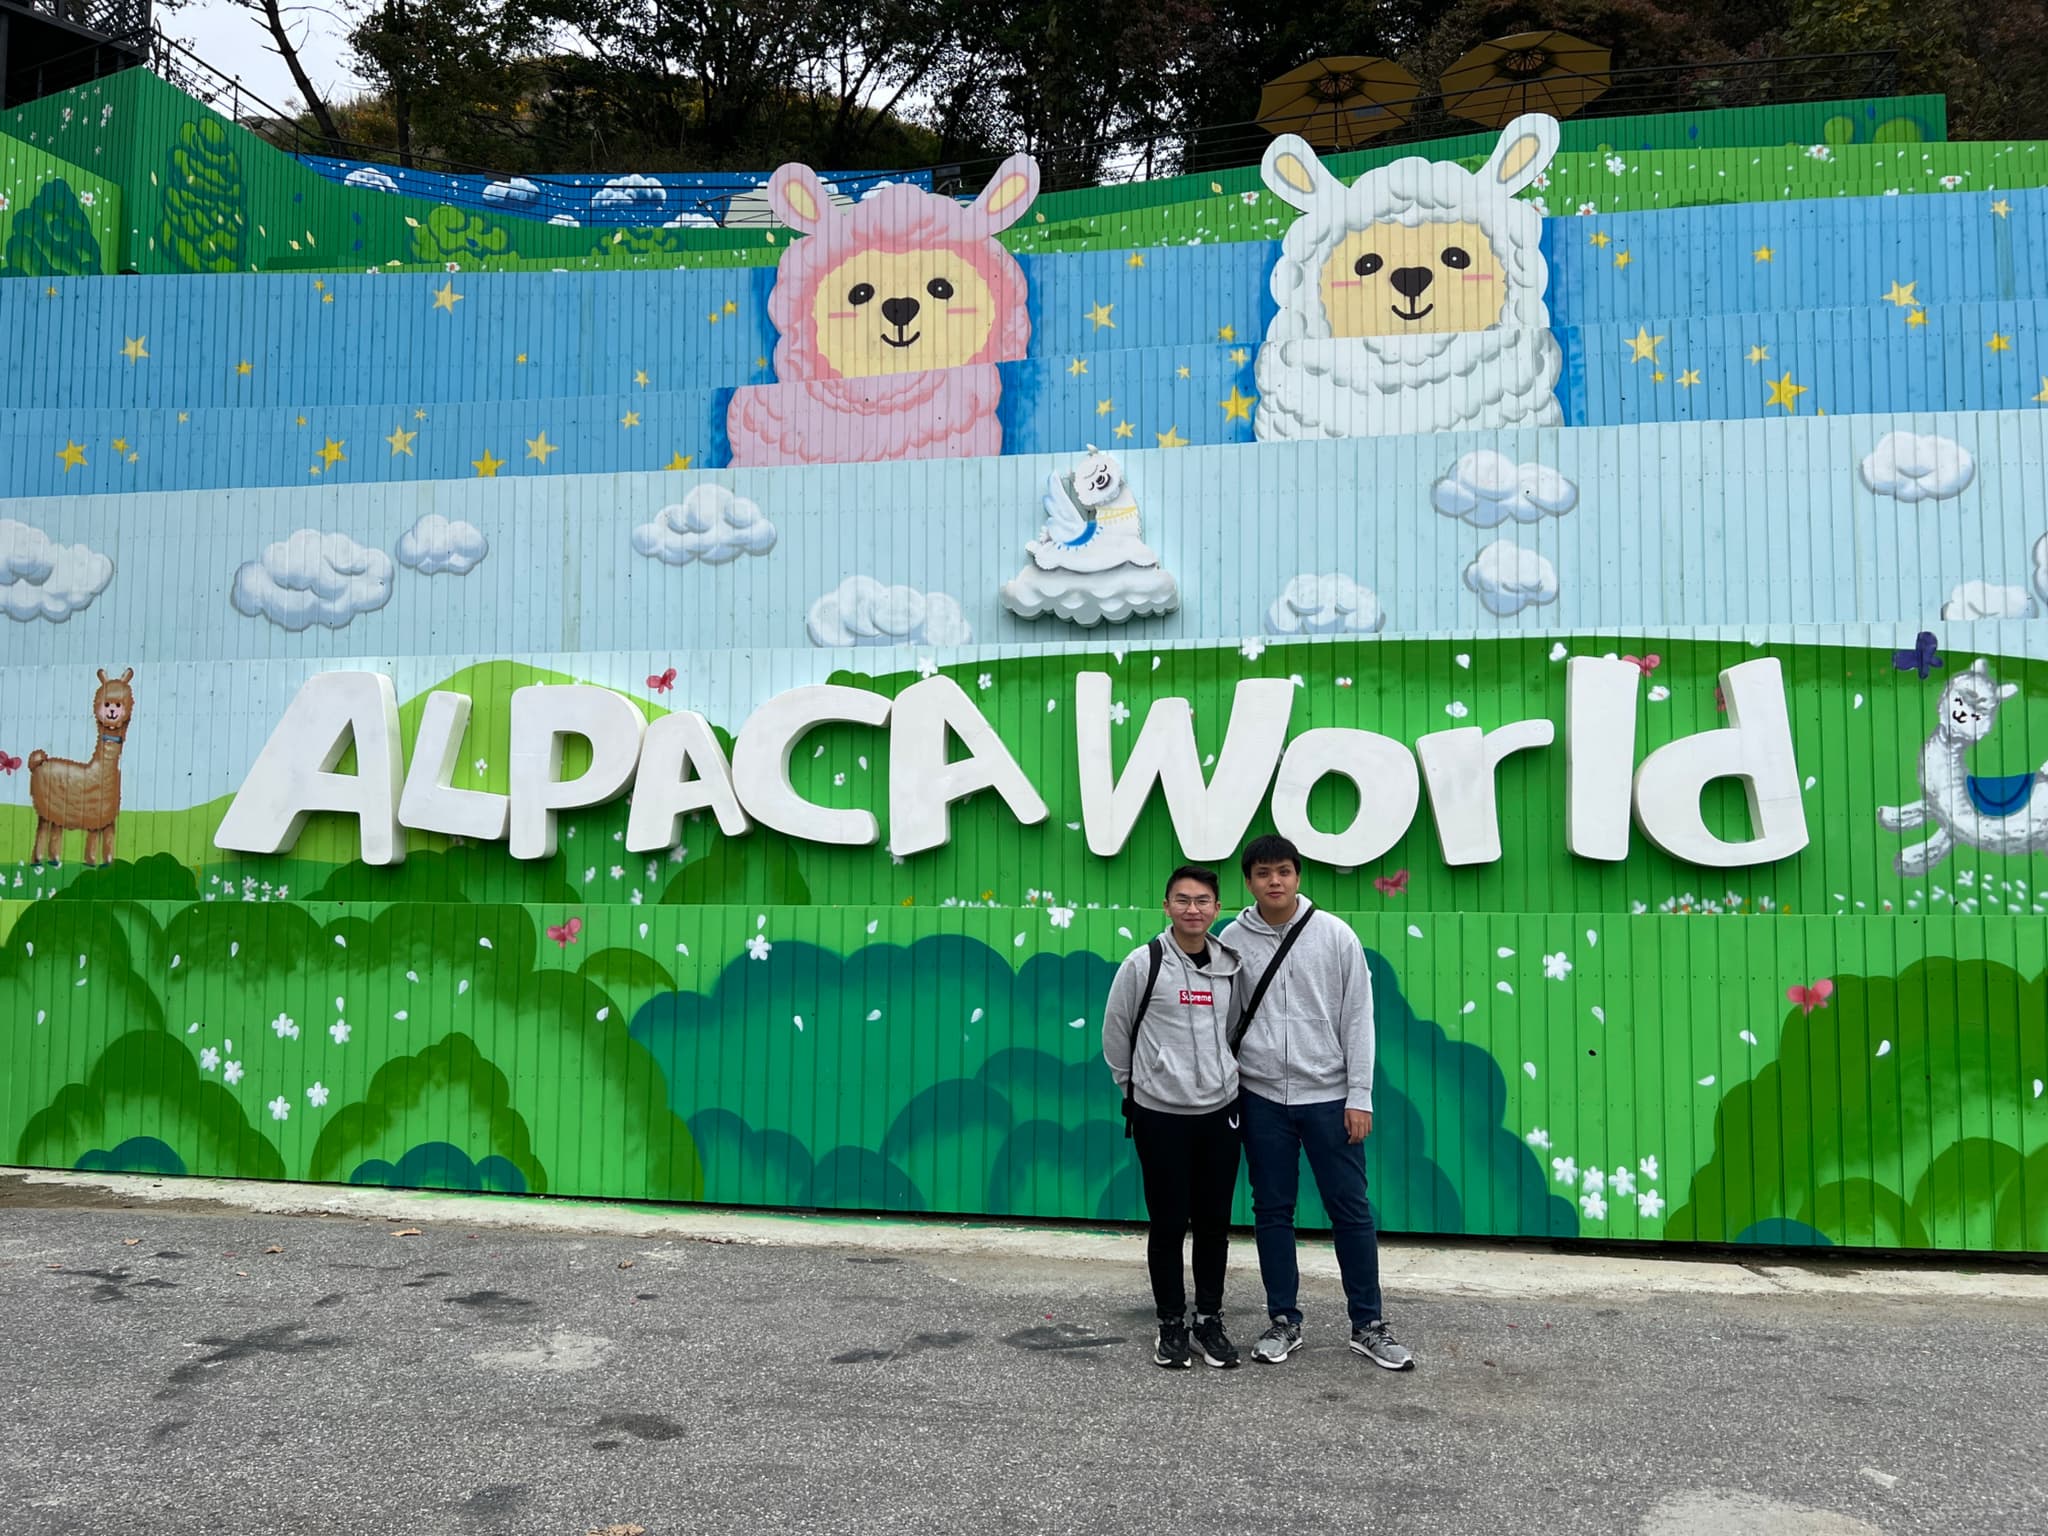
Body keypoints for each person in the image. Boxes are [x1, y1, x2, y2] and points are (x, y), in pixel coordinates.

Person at [1217, 834, 1415, 1371]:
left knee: (1350, 1211)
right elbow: (1225, 1018)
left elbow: (1359, 1020)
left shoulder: (1335, 936)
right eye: (1262, 873)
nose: (1274, 881)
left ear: (1298, 875)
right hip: (1260, 1097)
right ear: (1249, 881)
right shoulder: (1232, 938)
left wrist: (1360, 1095)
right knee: (1272, 1211)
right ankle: (1284, 1320)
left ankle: (1368, 1324)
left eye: (1283, 871)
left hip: (1330, 1098)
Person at [1101, 864, 1247, 1369]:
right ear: (1167, 906)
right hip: (1160, 1116)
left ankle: (1209, 1320)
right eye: (1182, 900)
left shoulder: (1230, 964)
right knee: (1168, 1224)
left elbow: (1232, 1030)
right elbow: (1116, 1035)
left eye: (1203, 900)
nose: (1193, 909)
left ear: (1217, 908)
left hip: (1221, 1113)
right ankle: (1170, 1325)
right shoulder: (1144, 964)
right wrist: (1140, 1090)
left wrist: (1219, 1075)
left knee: (1214, 1225)